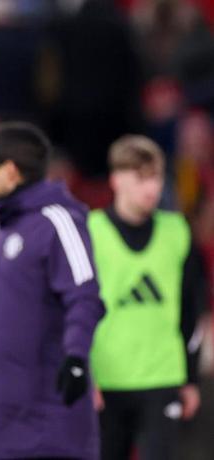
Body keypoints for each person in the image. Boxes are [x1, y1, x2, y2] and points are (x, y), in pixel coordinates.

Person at [0, 122, 105, 459]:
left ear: (11, 171)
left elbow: (84, 295)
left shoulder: (59, 221)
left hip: (47, 419)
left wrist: (76, 357)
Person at [88, 135, 205, 460]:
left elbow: (191, 309)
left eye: (156, 177)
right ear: (116, 180)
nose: (151, 187)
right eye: (140, 177)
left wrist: (191, 378)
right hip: (107, 380)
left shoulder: (178, 232)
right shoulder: (90, 232)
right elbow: (73, 310)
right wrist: (83, 372)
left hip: (162, 377)